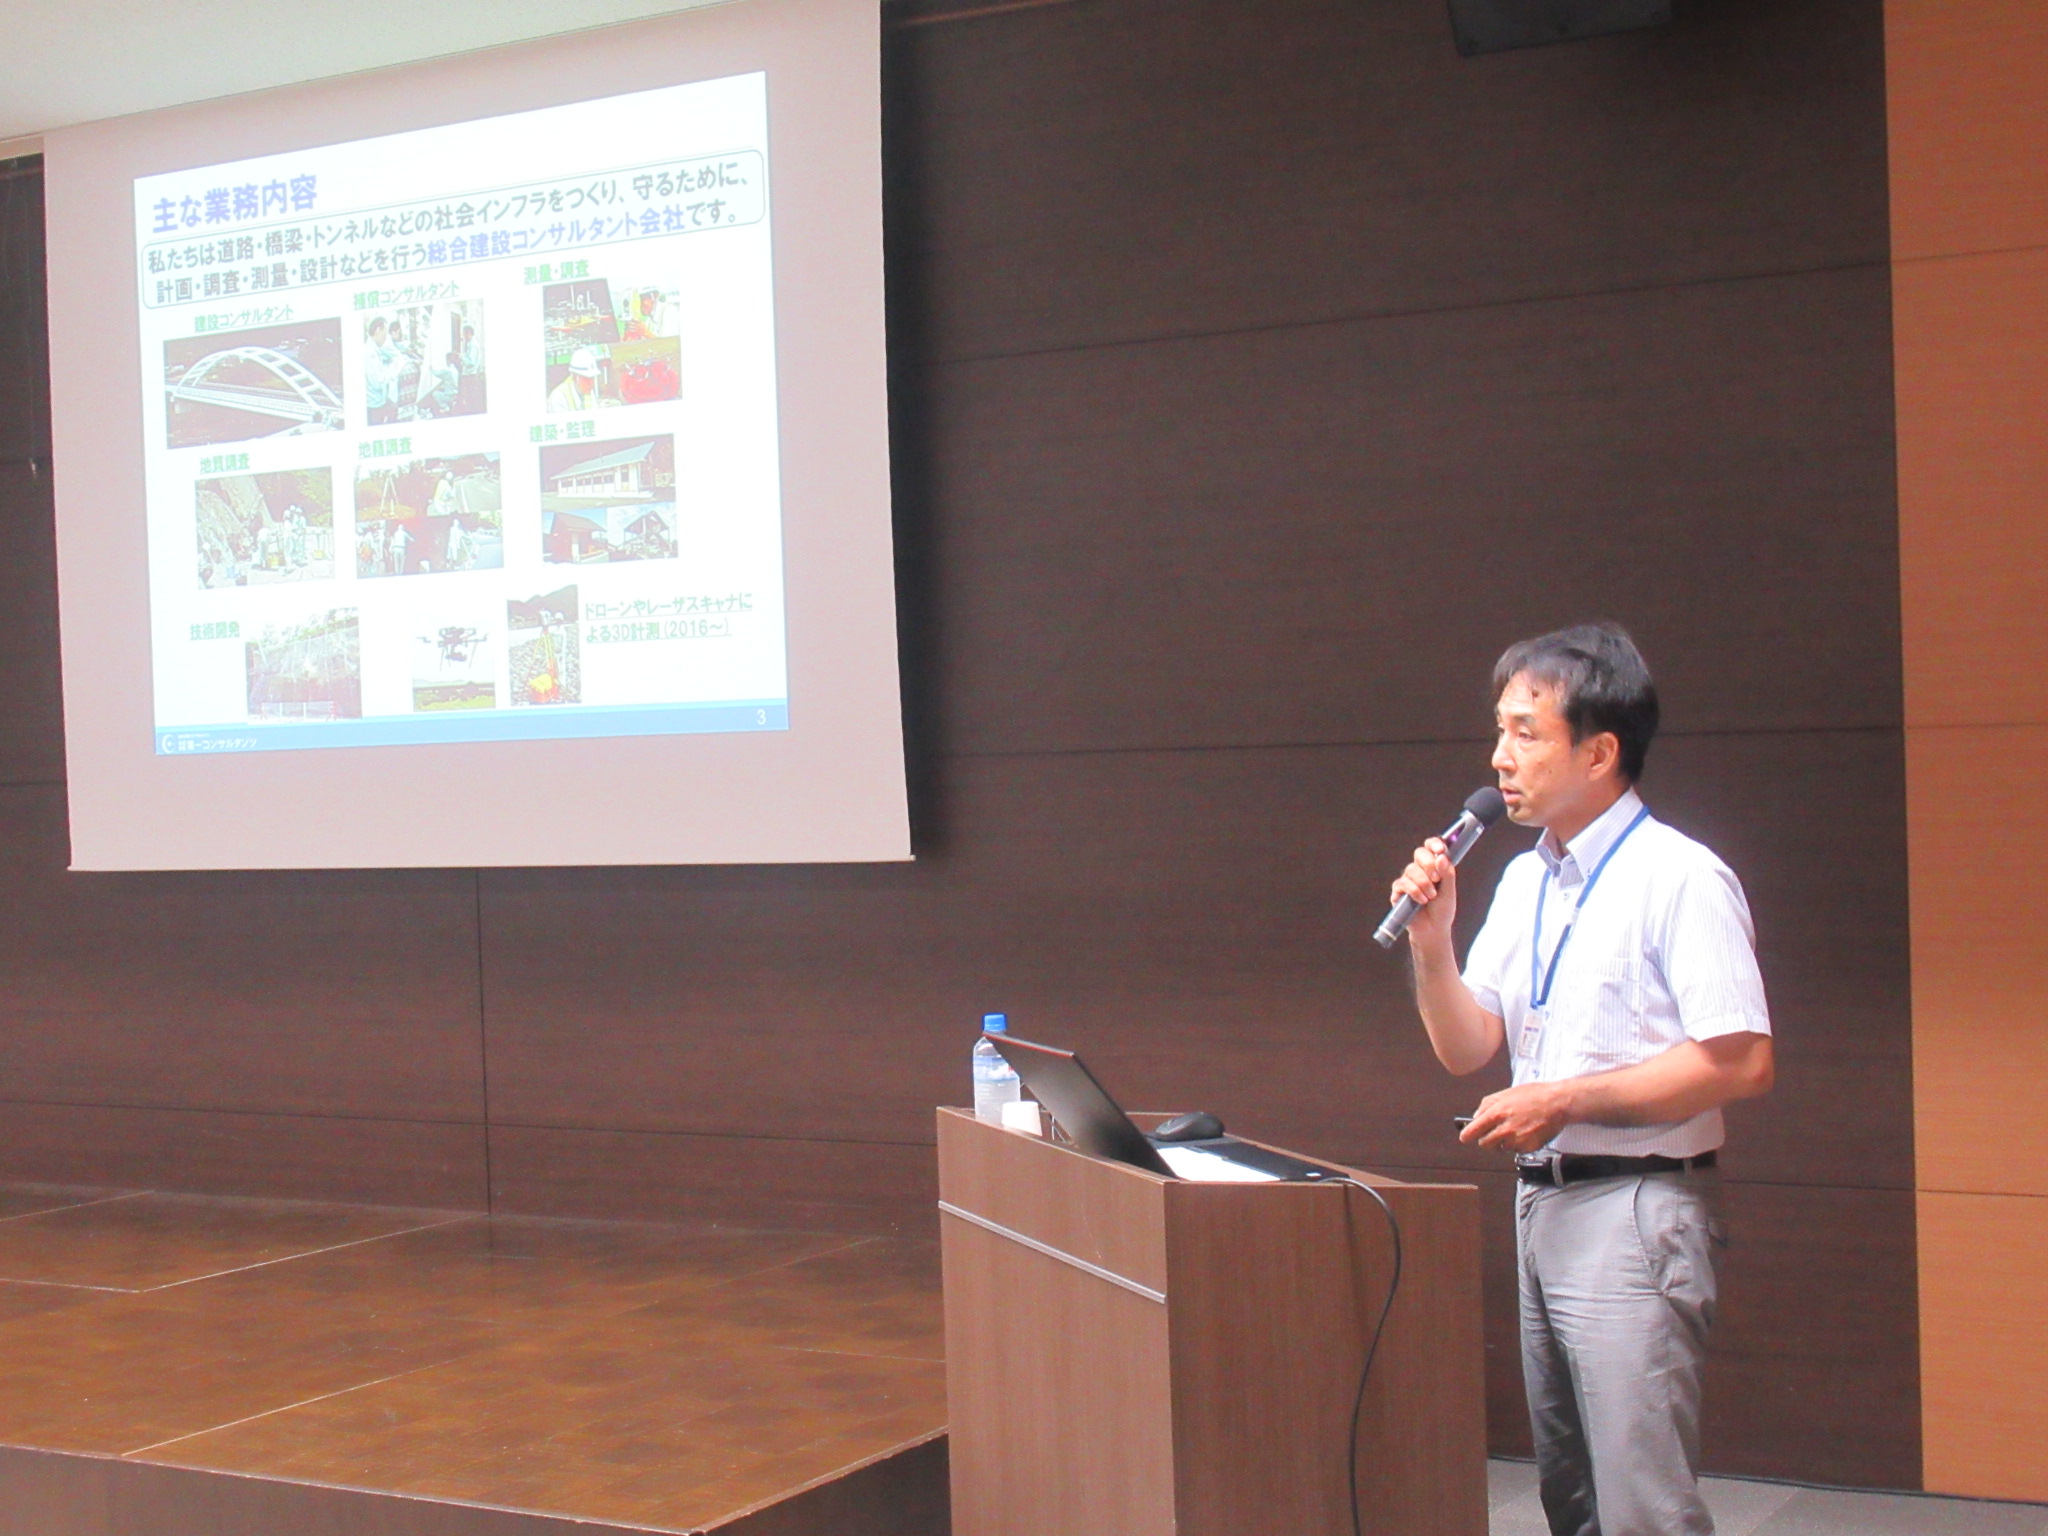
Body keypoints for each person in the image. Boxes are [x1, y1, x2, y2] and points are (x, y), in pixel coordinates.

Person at [1390, 622, 1774, 1536]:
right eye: (1499, 729)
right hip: (1542, 1205)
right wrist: (1432, 944)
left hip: (1639, 1207)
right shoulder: (1526, 882)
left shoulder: (1680, 877)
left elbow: (1742, 1059)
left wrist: (1563, 1100)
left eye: (1526, 732)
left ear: (1599, 753)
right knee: (1572, 1497)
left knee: (1642, 1506)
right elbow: (1468, 1046)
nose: (1499, 756)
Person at [547, 346, 617, 412]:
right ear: (574, 376)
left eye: (592, 378)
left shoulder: (587, 391)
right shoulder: (558, 398)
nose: (591, 384)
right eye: (586, 379)